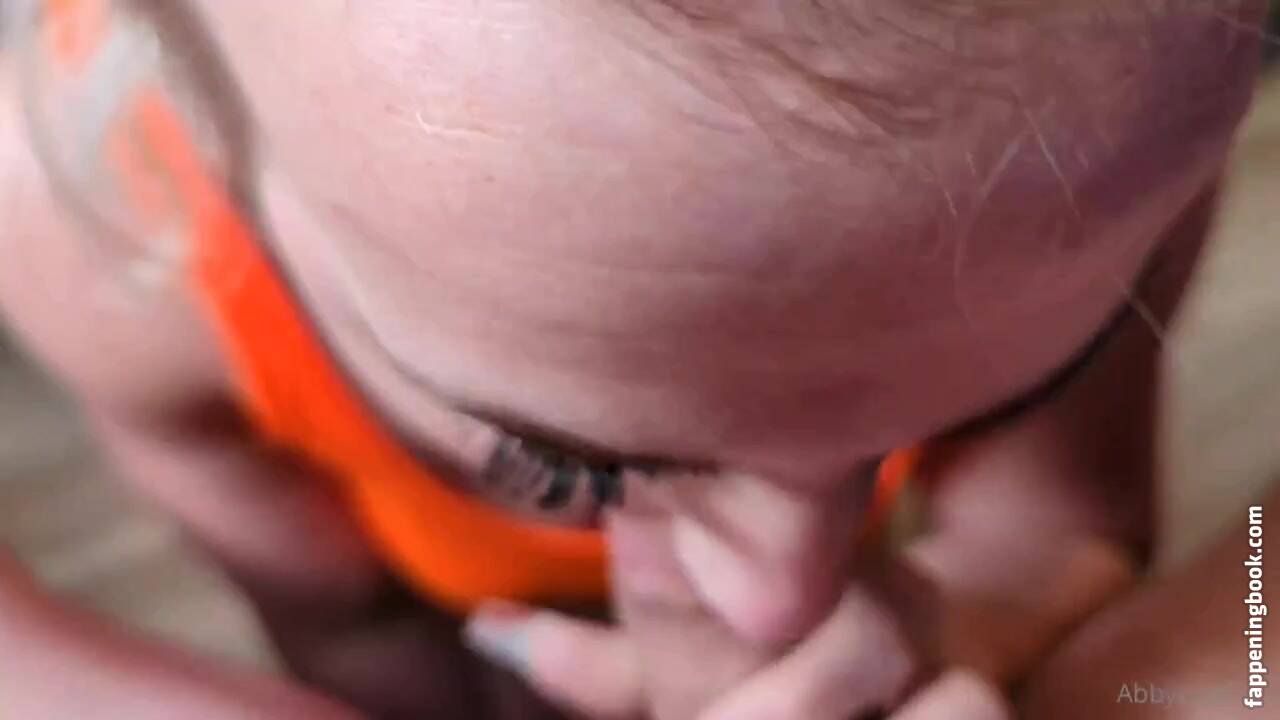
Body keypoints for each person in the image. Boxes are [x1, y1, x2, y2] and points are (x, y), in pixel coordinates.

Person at [0, 0, 1269, 718]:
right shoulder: (112, 263)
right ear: (213, 132)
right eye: (569, 464)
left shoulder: (1095, 126)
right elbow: (344, 625)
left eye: (1032, 378)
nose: (783, 601)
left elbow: (1065, 530)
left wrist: (988, 630)